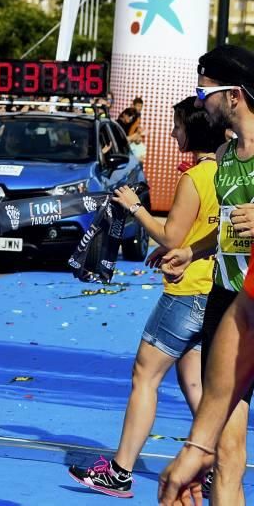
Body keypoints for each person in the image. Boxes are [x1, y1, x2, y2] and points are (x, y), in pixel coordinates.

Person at [67, 97, 225, 499]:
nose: (172, 133)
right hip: (213, 291)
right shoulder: (226, 173)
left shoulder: (194, 179)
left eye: (177, 126)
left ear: (194, 130)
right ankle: (216, 465)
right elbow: (207, 233)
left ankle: (119, 471)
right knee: (197, 387)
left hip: (186, 293)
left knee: (145, 376)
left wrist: (134, 207)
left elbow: (172, 235)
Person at [156, 45, 254, 506]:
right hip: (227, 302)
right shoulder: (223, 154)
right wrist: (192, 251)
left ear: (235, 96)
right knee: (226, 447)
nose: (199, 103)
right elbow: (232, 225)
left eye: (204, 91)